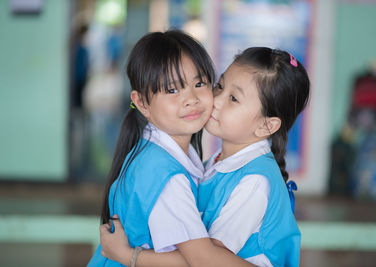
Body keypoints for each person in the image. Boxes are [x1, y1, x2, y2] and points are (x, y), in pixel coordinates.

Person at [98, 47, 310, 267]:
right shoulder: (217, 162)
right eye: (219, 85)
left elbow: (203, 259)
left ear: (266, 125)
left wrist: (128, 256)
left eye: (233, 99)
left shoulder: (254, 183)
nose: (216, 100)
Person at [88, 30, 263, 267]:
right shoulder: (166, 176)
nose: (190, 98)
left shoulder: (164, 154)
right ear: (141, 103)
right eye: (172, 89)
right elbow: (200, 261)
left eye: (199, 83)